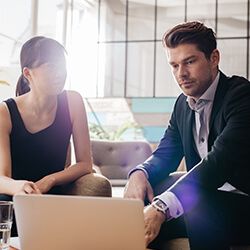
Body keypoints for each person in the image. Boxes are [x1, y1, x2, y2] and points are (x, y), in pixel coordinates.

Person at [124, 21, 250, 250]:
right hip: (205, 206)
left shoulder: (242, 96)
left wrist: (162, 207)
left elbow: (218, 163)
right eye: (174, 65)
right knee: (147, 195)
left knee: (197, 200)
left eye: (189, 62)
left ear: (214, 58)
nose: (181, 74)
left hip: (243, 205)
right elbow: (165, 154)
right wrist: (140, 173)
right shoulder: (182, 105)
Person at [0, 36, 92, 235]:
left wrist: (50, 180)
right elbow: (2, 177)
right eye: (51, 67)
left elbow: (85, 164)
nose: (60, 74)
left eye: (62, 66)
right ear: (27, 73)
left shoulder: (73, 101)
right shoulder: (5, 112)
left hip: (52, 197)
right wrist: (20, 187)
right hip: (15, 198)